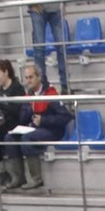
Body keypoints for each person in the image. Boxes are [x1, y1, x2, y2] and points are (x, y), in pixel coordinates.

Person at [16, 58, 72, 190]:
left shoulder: (50, 94)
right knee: (9, 137)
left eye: (31, 77)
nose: (28, 80)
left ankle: (36, 178)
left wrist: (43, 120)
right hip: (36, 129)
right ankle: (17, 177)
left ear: (39, 77)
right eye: (26, 77)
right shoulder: (28, 95)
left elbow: (65, 117)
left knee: (26, 139)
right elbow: (22, 119)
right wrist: (28, 110)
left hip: (53, 130)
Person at [0, 56, 29, 187]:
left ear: (6, 72)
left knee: (2, 136)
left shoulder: (17, 88)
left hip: (15, 123)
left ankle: (14, 175)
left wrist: (2, 105)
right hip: (1, 122)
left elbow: (19, 110)